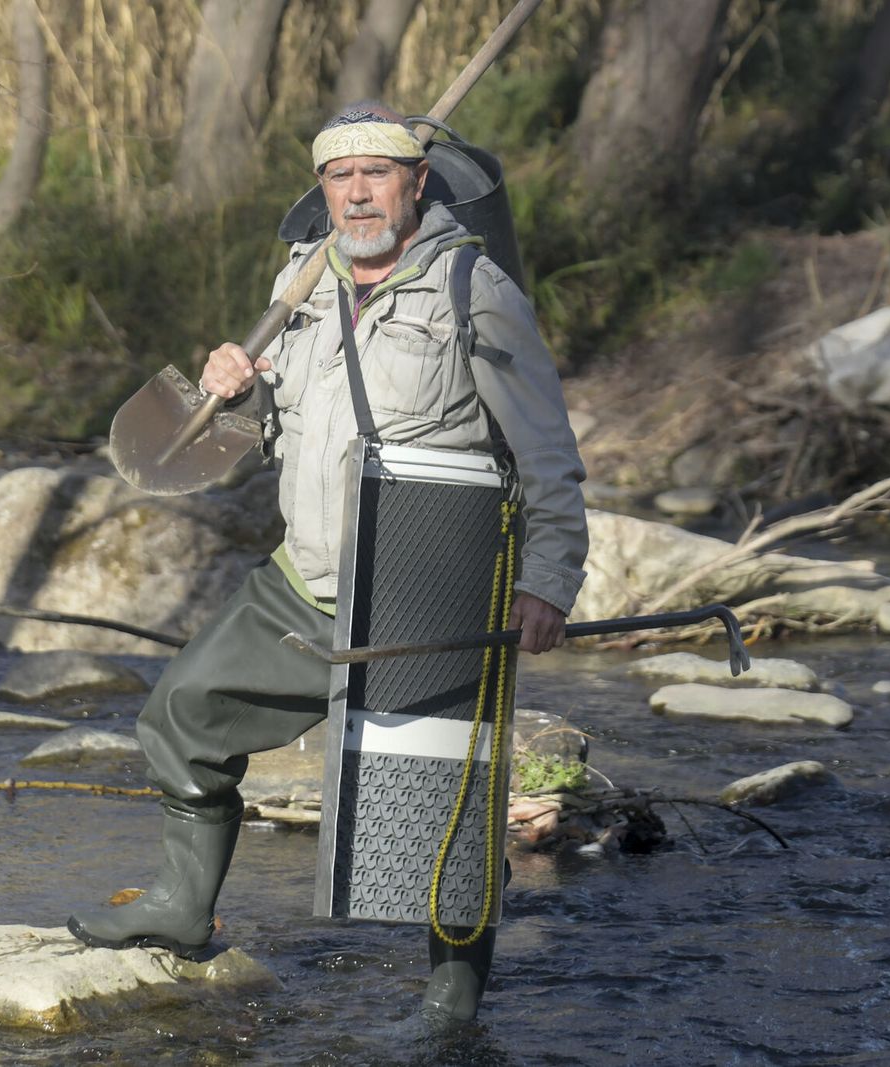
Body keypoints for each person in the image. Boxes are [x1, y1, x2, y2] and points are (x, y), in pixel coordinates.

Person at [68, 103, 588, 1026]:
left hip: (427, 587)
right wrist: (234, 393)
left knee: (441, 805)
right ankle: (183, 906)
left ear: (416, 183)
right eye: (340, 178)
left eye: (377, 174)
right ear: (323, 190)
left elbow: (546, 448)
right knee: (182, 715)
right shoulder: (298, 284)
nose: (358, 194)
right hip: (304, 581)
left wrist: (549, 578)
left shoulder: (474, 287)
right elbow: (271, 435)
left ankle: (453, 990)